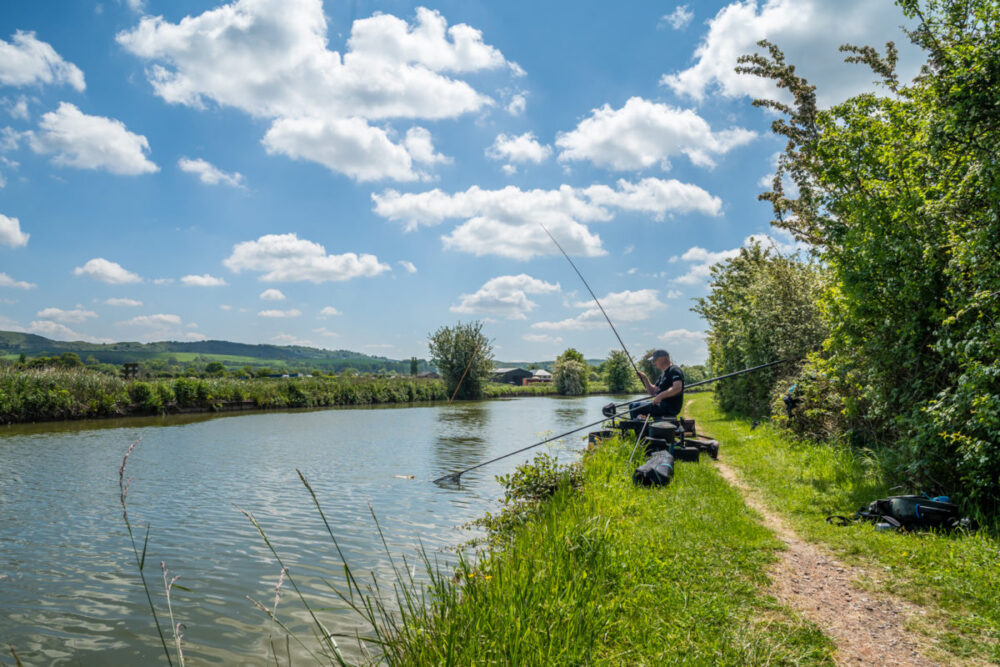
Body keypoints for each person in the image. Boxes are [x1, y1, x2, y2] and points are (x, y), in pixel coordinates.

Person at [630, 349, 684, 420]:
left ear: (662, 358)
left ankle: (640, 430)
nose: (654, 363)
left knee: (634, 406)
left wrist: (660, 396)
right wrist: (644, 378)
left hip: (669, 407)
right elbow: (653, 392)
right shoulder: (663, 374)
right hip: (662, 405)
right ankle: (644, 428)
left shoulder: (674, 370)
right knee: (633, 405)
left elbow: (677, 388)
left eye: (655, 360)